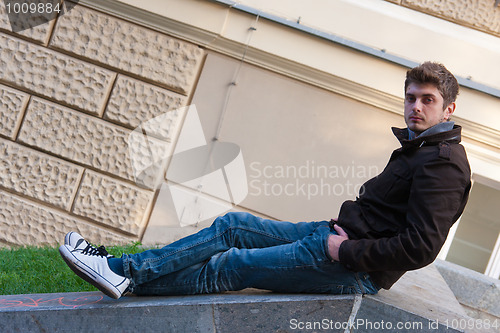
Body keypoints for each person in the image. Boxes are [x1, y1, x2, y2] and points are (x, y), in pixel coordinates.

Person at [59, 62, 471, 299]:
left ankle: (125, 278)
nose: (415, 107)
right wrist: (338, 237)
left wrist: (345, 252)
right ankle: (123, 270)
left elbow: (420, 247)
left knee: (233, 265)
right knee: (232, 226)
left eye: (427, 100)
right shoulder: (422, 149)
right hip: (332, 236)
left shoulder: (444, 164)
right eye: (410, 97)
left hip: (351, 268)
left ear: (448, 108)